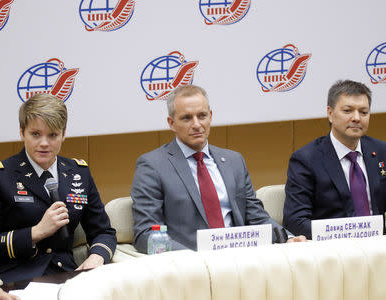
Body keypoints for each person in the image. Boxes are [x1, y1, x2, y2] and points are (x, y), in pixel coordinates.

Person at [131, 85, 306, 253]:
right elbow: (146, 234)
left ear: (211, 116)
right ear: (171, 123)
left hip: (240, 258)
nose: (197, 124)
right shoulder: (153, 166)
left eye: (202, 115)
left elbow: (256, 216)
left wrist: (287, 238)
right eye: (186, 118)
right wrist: (190, 258)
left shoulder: (233, 161)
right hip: (190, 266)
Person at [0, 94, 117, 284]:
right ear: (22, 132)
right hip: (15, 276)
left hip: (66, 275)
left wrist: (96, 257)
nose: (44, 143)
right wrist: (36, 232)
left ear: (64, 134)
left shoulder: (78, 172)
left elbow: (104, 231)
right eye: (35, 134)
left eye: (53, 135)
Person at [283, 80, 386, 239]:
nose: (357, 118)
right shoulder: (306, 159)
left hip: (381, 248)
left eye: (364, 112)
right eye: (348, 111)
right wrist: (341, 236)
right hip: (333, 251)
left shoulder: (382, 151)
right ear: (330, 113)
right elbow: (295, 220)